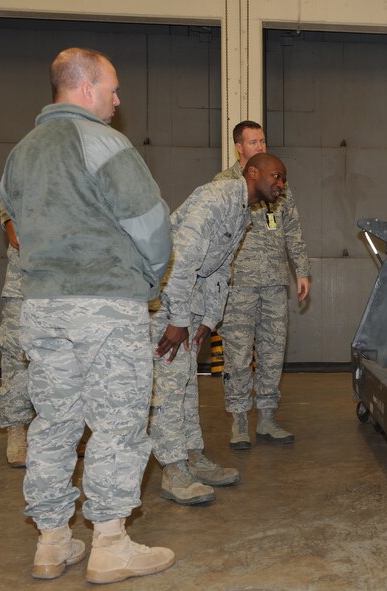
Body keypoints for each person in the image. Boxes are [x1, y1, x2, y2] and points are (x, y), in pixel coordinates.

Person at [0, 47, 174, 584]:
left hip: (42, 307)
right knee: (117, 422)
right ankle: (111, 545)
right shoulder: (104, 143)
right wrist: (150, 275)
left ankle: (52, 543)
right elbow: (151, 225)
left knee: (54, 422)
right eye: (113, 89)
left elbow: (15, 220)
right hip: (105, 305)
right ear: (85, 88)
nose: (119, 101)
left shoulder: (21, 153)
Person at [149, 153, 289, 504]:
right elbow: (179, 258)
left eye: (284, 179)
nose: (280, 184)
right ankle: (173, 469)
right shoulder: (217, 197)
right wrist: (179, 320)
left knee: (185, 386)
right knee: (168, 388)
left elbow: (220, 271)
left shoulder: (244, 211)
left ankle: (193, 455)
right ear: (252, 172)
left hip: (191, 307)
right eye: (276, 175)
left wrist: (209, 321)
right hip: (167, 305)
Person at [215, 121, 310, 449]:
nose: (259, 145)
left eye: (262, 140)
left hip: (273, 282)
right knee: (238, 354)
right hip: (237, 284)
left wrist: (302, 270)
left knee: (272, 352)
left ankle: (267, 418)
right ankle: (239, 421)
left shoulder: (278, 183)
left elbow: (292, 228)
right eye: (252, 141)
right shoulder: (225, 184)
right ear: (239, 147)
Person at [0, 211, 34, 468]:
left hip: (71, 281)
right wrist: (9, 219)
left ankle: (71, 429)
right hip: (25, 279)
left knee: (70, 356)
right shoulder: (26, 169)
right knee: (16, 354)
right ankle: (17, 430)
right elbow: (8, 198)